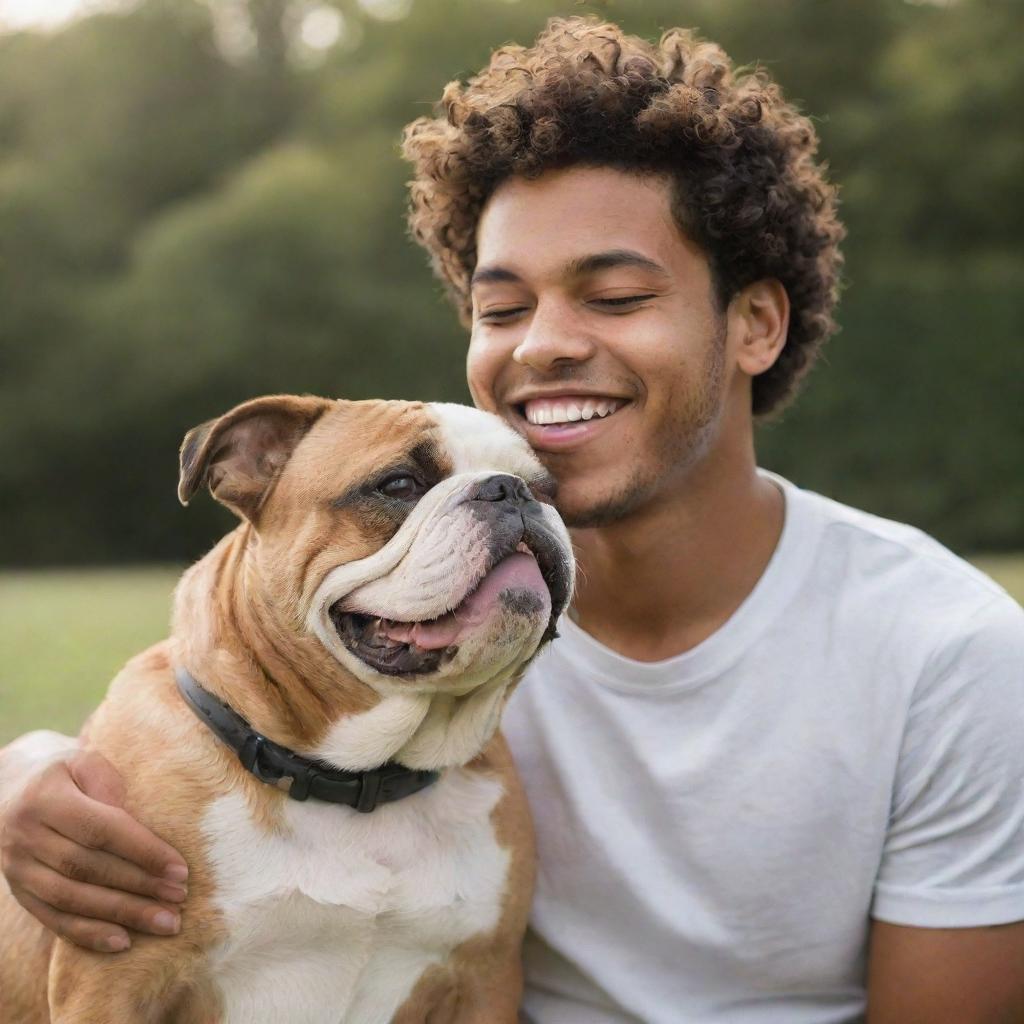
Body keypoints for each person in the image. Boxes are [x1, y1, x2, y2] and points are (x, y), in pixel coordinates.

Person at [2, 16, 1023, 1024]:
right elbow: (223, 670)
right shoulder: (430, 606)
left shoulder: (945, 656)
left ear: (754, 321)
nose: (544, 346)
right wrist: (29, 773)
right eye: (500, 310)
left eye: (616, 295)